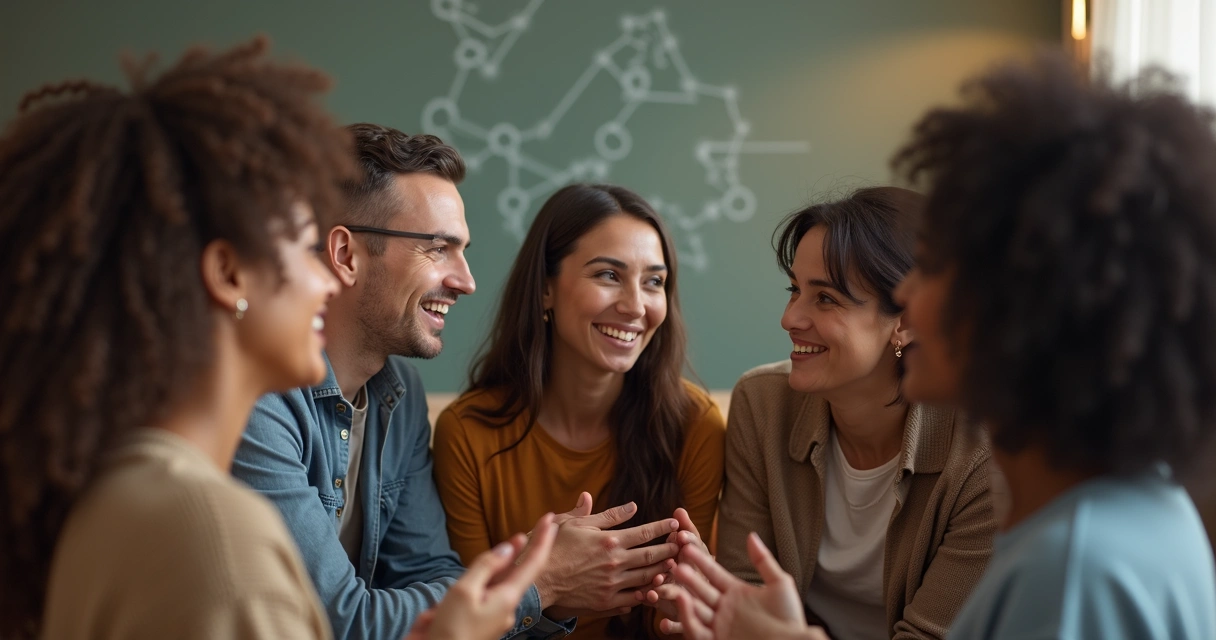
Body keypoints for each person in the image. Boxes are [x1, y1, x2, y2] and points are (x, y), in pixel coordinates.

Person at [232, 128, 684, 640]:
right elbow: (339, 621)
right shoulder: (257, 399)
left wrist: (537, 591)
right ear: (346, 254)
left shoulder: (398, 395)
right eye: (438, 249)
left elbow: (433, 579)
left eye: (462, 250)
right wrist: (537, 579)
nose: (466, 280)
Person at [0, 37, 349, 639]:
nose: (329, 282)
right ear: (227, 273)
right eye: (306, 247)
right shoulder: (214, 533)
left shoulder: (118, 494)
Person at [889, 54, 1216, 639]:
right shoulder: (1136, 508)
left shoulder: (1075, 572)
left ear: (1025, 302)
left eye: (931, 266)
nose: (903, 292)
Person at [647, 187, 996, 640]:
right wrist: (708, 604)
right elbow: (747, 594)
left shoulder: (982, 451)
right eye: (795, 290)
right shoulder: (763, 405)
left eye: (826, 298)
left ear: (908, 320)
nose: (790, 318)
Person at [433, 183, 726, 638]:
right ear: (546, 290)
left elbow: (689, 617)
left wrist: (687, 610)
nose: (635, 306)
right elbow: (470, 625)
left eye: (654, 282)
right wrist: (547, 590)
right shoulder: (467, 433)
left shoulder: (696, 426)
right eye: (608, 275)